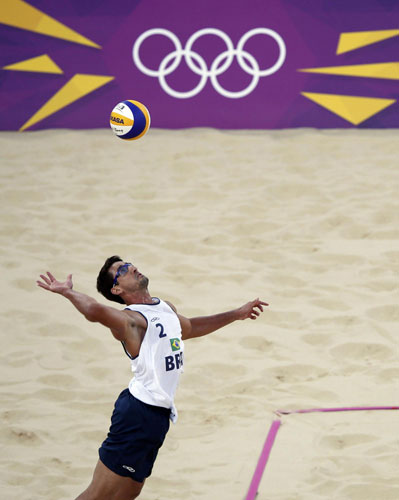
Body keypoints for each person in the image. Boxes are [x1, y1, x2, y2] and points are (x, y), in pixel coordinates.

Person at [37, 255, 268, 500]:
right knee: (97, 495)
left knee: (127, 494)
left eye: (129, 263)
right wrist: (68, 293)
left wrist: (236, 314)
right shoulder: (131, 321)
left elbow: (190, 327)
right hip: (136, 415)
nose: (132, 268)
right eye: (123, 269)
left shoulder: (164, 307)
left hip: (157, 418)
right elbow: (94, 311)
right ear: (117, 289)